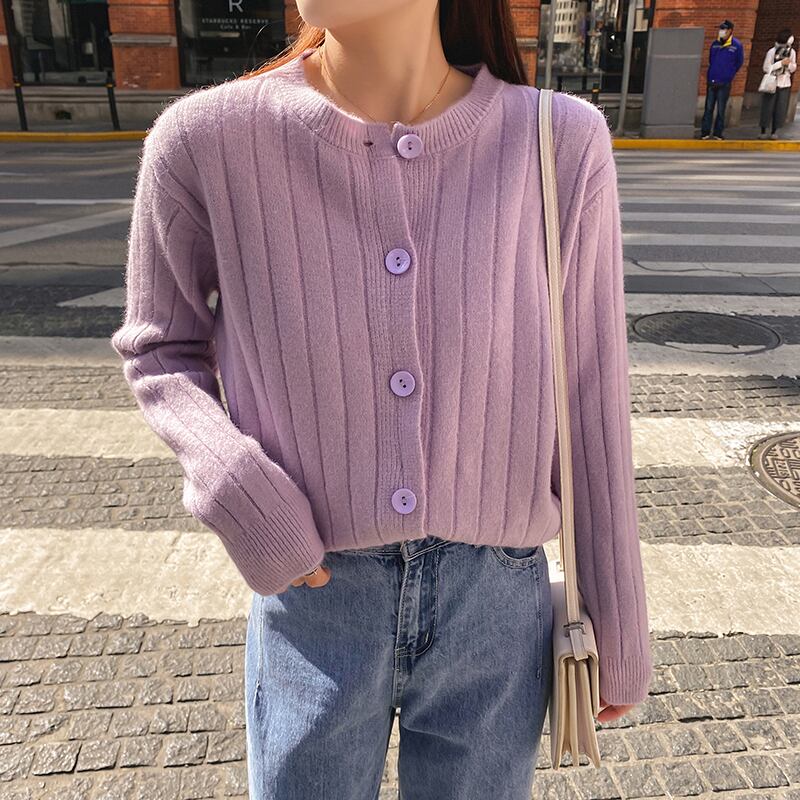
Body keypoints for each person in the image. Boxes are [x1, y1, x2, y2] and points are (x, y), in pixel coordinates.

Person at [109, 1, 653, 797]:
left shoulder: (558, 140)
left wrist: (618, 616)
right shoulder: (206, 140)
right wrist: (238, 490)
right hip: (313, 598)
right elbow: (160, 348)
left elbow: (591, 382)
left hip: (498, 607)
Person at [701, 19, 745, 140]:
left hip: (725, 82)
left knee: (721, 109)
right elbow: (711, 59)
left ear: (730, 31)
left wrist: (729, 74)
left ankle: (718, 133)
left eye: (724, 29)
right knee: (708, 108)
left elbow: (739, 62)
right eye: (720, 29)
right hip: (712, 80)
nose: (721, 31)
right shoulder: (715, 44)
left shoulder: (736, 45)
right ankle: (705, 132)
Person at [759, 29, 797, 139]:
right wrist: (780, 63)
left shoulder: (792, 52)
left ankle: (774, 131)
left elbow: (793, 67)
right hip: (772, 82)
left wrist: (789, 65)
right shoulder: (772, 51)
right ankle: (763, 130)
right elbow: (766, 68)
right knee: (767, 106)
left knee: (780, 108)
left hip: (784, 83)